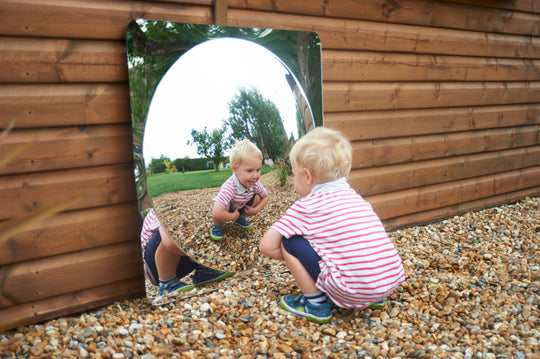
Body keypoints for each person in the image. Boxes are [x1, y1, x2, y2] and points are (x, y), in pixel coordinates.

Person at [259, 127, 406, 323]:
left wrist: (300, 263)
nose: (294, 182)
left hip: (352, 291)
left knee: (289, 241)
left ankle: (315, 304)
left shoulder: (306, 207)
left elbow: (266, 247)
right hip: (387, 282)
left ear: (308, 176)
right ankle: (373, 297)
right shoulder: (356, 199)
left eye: (295, 175)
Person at [141, 208, 233, 296]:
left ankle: (204, 272)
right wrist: (197, 255)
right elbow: (169, 243)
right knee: (172, 229)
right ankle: (167, 283)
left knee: (206, 224)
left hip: (183, 258)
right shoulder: (162, 209)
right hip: (155, 266)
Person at [210, 139, 269, 240]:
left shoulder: (254, 183)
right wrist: (231, 216)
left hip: (240, 205)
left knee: (258, 198)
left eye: (258, 170)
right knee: (224, 206)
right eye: (249, 170)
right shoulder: (229, 187)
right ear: (235, 169)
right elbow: (216, 212)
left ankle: (239, 218)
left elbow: (266, 196)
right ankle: (217, 225)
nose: (255, 175)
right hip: (227, 208)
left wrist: (255, 210)